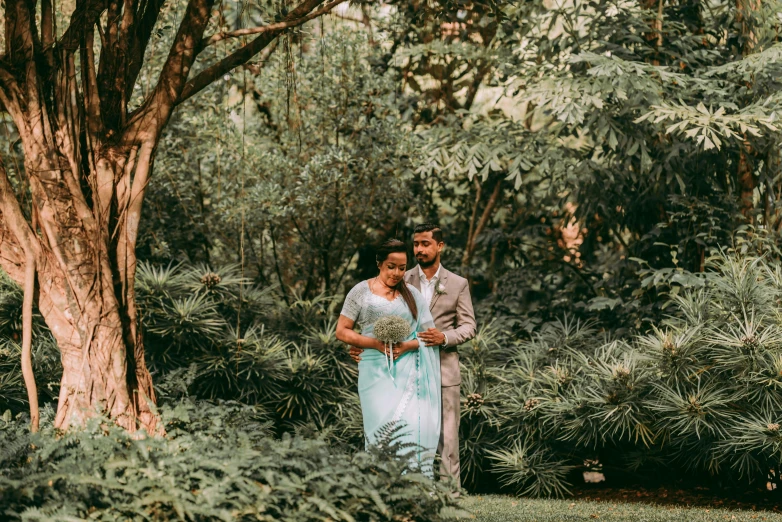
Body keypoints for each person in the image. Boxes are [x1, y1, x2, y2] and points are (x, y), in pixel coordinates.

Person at [351, 224, 476, 490]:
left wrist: (444, 337)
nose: (419, 249)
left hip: (443, 370)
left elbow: (469, 326)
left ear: (439, 246)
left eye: (425, 243)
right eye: (416, 244)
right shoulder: (399, 276)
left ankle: (449, 498)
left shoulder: (457, 284)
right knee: (407, 432)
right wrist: (365, 344)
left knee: (447, 440)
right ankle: (405, 490)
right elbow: (378, 318)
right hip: (402, 370)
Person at [336, 239, 442, 477]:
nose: (397, 273)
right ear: (379, 264)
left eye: (402, 268)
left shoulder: (412, 295)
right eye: (391, 267)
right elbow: (342, 331)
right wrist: (374, 343)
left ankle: (413, 487)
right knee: (379, 430)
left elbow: (428, 336)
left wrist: (406, 346)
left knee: (411, 428)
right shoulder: (360, 291)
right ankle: (382, 488)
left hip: (409, 371)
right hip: (373, 371)